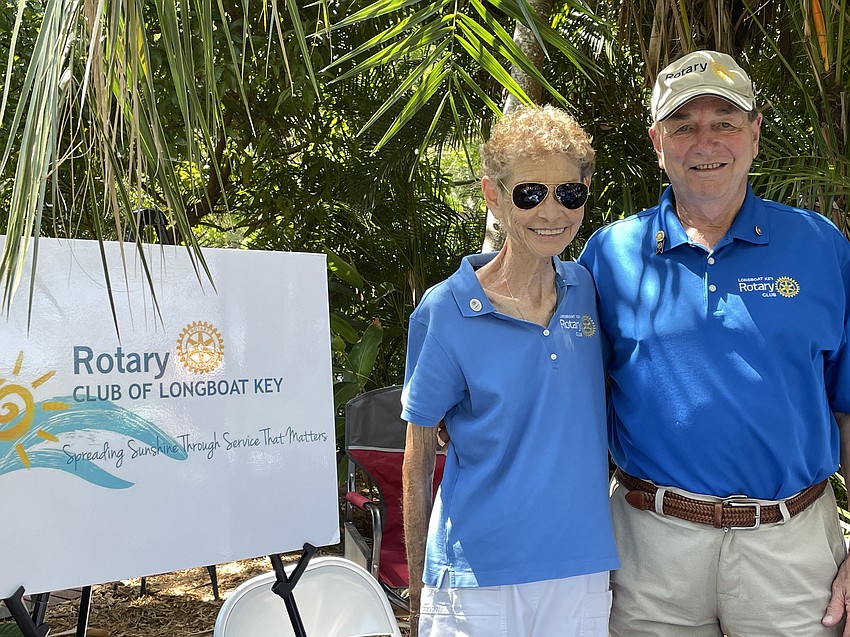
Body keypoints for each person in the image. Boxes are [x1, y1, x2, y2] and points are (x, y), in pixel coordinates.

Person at [577, 49, 850, 636]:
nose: (705, 142)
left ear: (754, 134)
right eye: (683, 126)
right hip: (650, 550)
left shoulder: (821, 247)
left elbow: (849, 406)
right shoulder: (610, 255)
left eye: (724, 122)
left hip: (793, 550)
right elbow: (573, 404)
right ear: (657, 142)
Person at [401, 105, 619, 637]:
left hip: (580, 568)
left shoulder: (588, 290)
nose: (552, 211)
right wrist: (419, 588)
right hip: (476, 575)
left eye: (569, 193)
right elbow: (417, 457)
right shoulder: (445, 310)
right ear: (493, 195)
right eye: (530, 193)